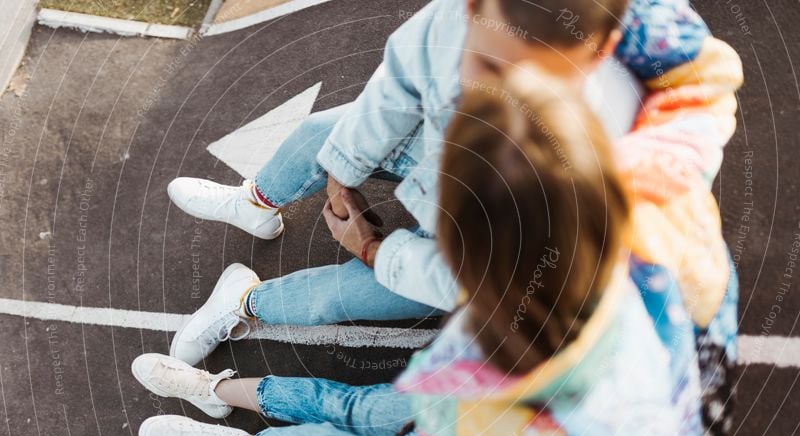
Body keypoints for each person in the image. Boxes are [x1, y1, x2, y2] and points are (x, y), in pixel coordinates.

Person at [134, 32, 744, 436]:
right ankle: (236, 317)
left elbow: (476, 292)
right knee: (357, 382)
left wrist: (376, 249)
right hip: (527, 412)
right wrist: (368, 225)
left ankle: (222, 399)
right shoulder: (666, 249)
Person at [165, 0, 711, 366]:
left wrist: (379, 251)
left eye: (514, 74)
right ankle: (255, 201)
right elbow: (400, 80)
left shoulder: (608, 167)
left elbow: (488, 278)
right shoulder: (472, 11)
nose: (479, 81)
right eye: (481, 57)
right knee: (321, 133)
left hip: (486, 239)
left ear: (599, 51)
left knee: (350, 296)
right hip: (440, 164)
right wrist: (339, 178)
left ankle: (245, 302)